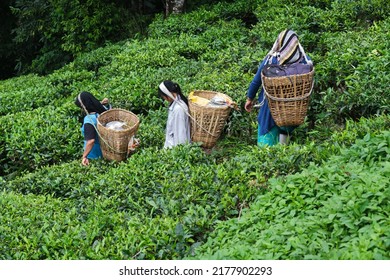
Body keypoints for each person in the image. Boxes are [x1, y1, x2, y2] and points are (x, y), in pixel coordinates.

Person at [245, 29, 313, 146]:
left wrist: (249, 99)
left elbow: (257, 81)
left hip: (270, 109)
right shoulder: (305, 61)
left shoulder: (271, 59)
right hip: (293, 110)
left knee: (266, 148)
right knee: (283, 146)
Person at [75, 91, 110, 166]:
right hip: (106, 151)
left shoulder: (89, 120)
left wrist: (84, 157)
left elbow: (91, 141)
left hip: (94, 157)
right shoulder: (102, 112)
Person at [158, 80, 191, 148]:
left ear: (167, 93)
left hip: (173, 150)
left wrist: (178, 153)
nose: (164, 99)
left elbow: (180, 135)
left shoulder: (178, 109)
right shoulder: (177, 103)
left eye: (163, 96)